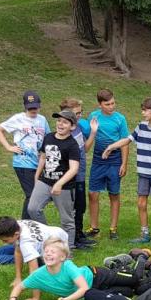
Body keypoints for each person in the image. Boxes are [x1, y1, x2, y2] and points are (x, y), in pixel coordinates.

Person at [102, 97, 151, 245]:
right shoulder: (141, 127)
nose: (142, 112)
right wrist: (111, 146)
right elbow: (127, 140)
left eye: (145, 110)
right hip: (143, 173)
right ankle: (144, 233)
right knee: (141, 203)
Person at [0, 90, 51, 219]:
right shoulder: (18, 118)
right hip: (23, 163)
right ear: (25, 107)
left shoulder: (42, 120)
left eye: (35, 107)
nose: (33, 110)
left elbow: (48, 137)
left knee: (37, 194)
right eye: (30, 108)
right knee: (31, 194)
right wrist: (8, 147)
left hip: (39, 162)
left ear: (40, 105)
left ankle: (28, 223)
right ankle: (26, 224)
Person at [27, 109, 81, 247]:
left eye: (65, 122)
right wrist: (37, 175)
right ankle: (50, 239)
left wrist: (59, 184)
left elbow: (74, 169)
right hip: (45, 181)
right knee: (33, 209)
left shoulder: (72, 145)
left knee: (67, 220)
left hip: (64, 187)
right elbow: (43, 157)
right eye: (59, 121)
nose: (60, 124)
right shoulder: (49, 137)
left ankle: (67, 253)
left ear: (72, 126)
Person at [4, 237, 92, 300]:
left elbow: (84, 288)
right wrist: (12, 299)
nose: (48, 254)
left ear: (62, 257)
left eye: (53, 252)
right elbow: (19, 286)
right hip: (86, 293)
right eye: (46, 251)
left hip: (96, 277)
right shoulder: (39, 274)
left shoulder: (68, 266)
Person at [86, 89, 130, 241]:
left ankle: (113, 228)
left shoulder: (120, 119)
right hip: (98, 160)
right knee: (92, 193)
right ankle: (94, 227)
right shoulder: (93, 116)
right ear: (100, 105)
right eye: (108, 104)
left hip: (115, 160)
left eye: (113, 103)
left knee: (114, 194)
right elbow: (88, 136)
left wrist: (124, 164)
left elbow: (125, 143)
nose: (112, 106)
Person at [0, 216, 70, 294]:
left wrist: (35, 297)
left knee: (57, 271)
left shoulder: (26, 243)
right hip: (55, 232)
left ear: (16, 234)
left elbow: (34, 271)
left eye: (5, 240)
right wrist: (18, 278)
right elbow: (18, 252)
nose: (4, 243)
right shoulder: (17, 225)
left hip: (59, 241)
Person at [60, 98, 98, 249]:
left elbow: (85, 149)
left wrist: (93, 132)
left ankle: (79, 234)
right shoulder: (65, 133)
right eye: (77, 113)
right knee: (73, 207)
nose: (80, 115)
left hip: (81, 173)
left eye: (81, 112)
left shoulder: (78, 128)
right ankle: (73, 239)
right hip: (72, 176)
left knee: (81, 205)